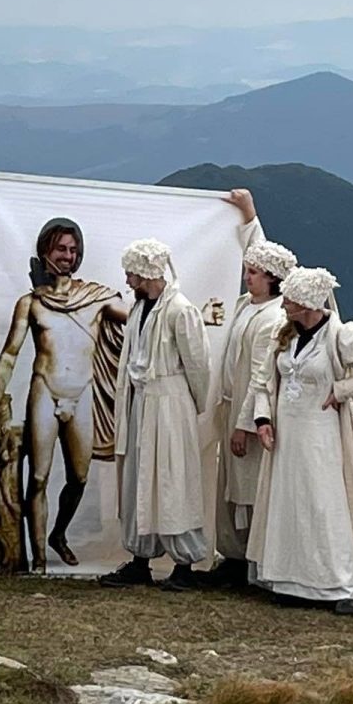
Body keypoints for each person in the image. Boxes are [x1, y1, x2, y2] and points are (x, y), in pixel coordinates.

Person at [0, 214, 128, 571]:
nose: (68, 256)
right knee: (38, 477)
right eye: (61, 249)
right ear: (46, 251)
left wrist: (186, 311)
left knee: (80, 477)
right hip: (45, 392)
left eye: (73, 250)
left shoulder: (97, 298)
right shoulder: (31, 302)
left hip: (82, 394)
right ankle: (38, 558)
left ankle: (59, 534)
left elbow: (141, 318)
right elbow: (10, 353)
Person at [248, 267, 353, 613]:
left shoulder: (340, 336)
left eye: (291, 302)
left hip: (321, 431)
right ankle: (289, 577)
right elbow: (265, 380)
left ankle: (337, 583)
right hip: (288, 430)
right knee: (289, 499)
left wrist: (341, 391)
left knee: (324, 501)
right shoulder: (285, 335)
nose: (285, 307)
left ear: (309, 305)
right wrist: (263, 418)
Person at [99, 238, 213, 592]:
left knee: (173, 479)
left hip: (170, 404)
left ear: (147, 273)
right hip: (142, 403)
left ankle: (184, 562)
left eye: (131, 274)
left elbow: (198, 365)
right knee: (139, 477)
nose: (128, 281)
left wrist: (186, 404)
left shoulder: (180, 310)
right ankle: (141, 559)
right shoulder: (140, 308)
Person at [207, 225, 297, 589]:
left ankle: (253, 560)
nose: (247, 278)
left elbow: (260, 376)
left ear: (273, 278)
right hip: (230, 404)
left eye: (254, 272)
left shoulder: (274, 318)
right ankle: (232, 554)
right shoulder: (247, 305)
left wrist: (245, 424)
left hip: (249, 412)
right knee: (230, 486)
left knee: (250, 489)